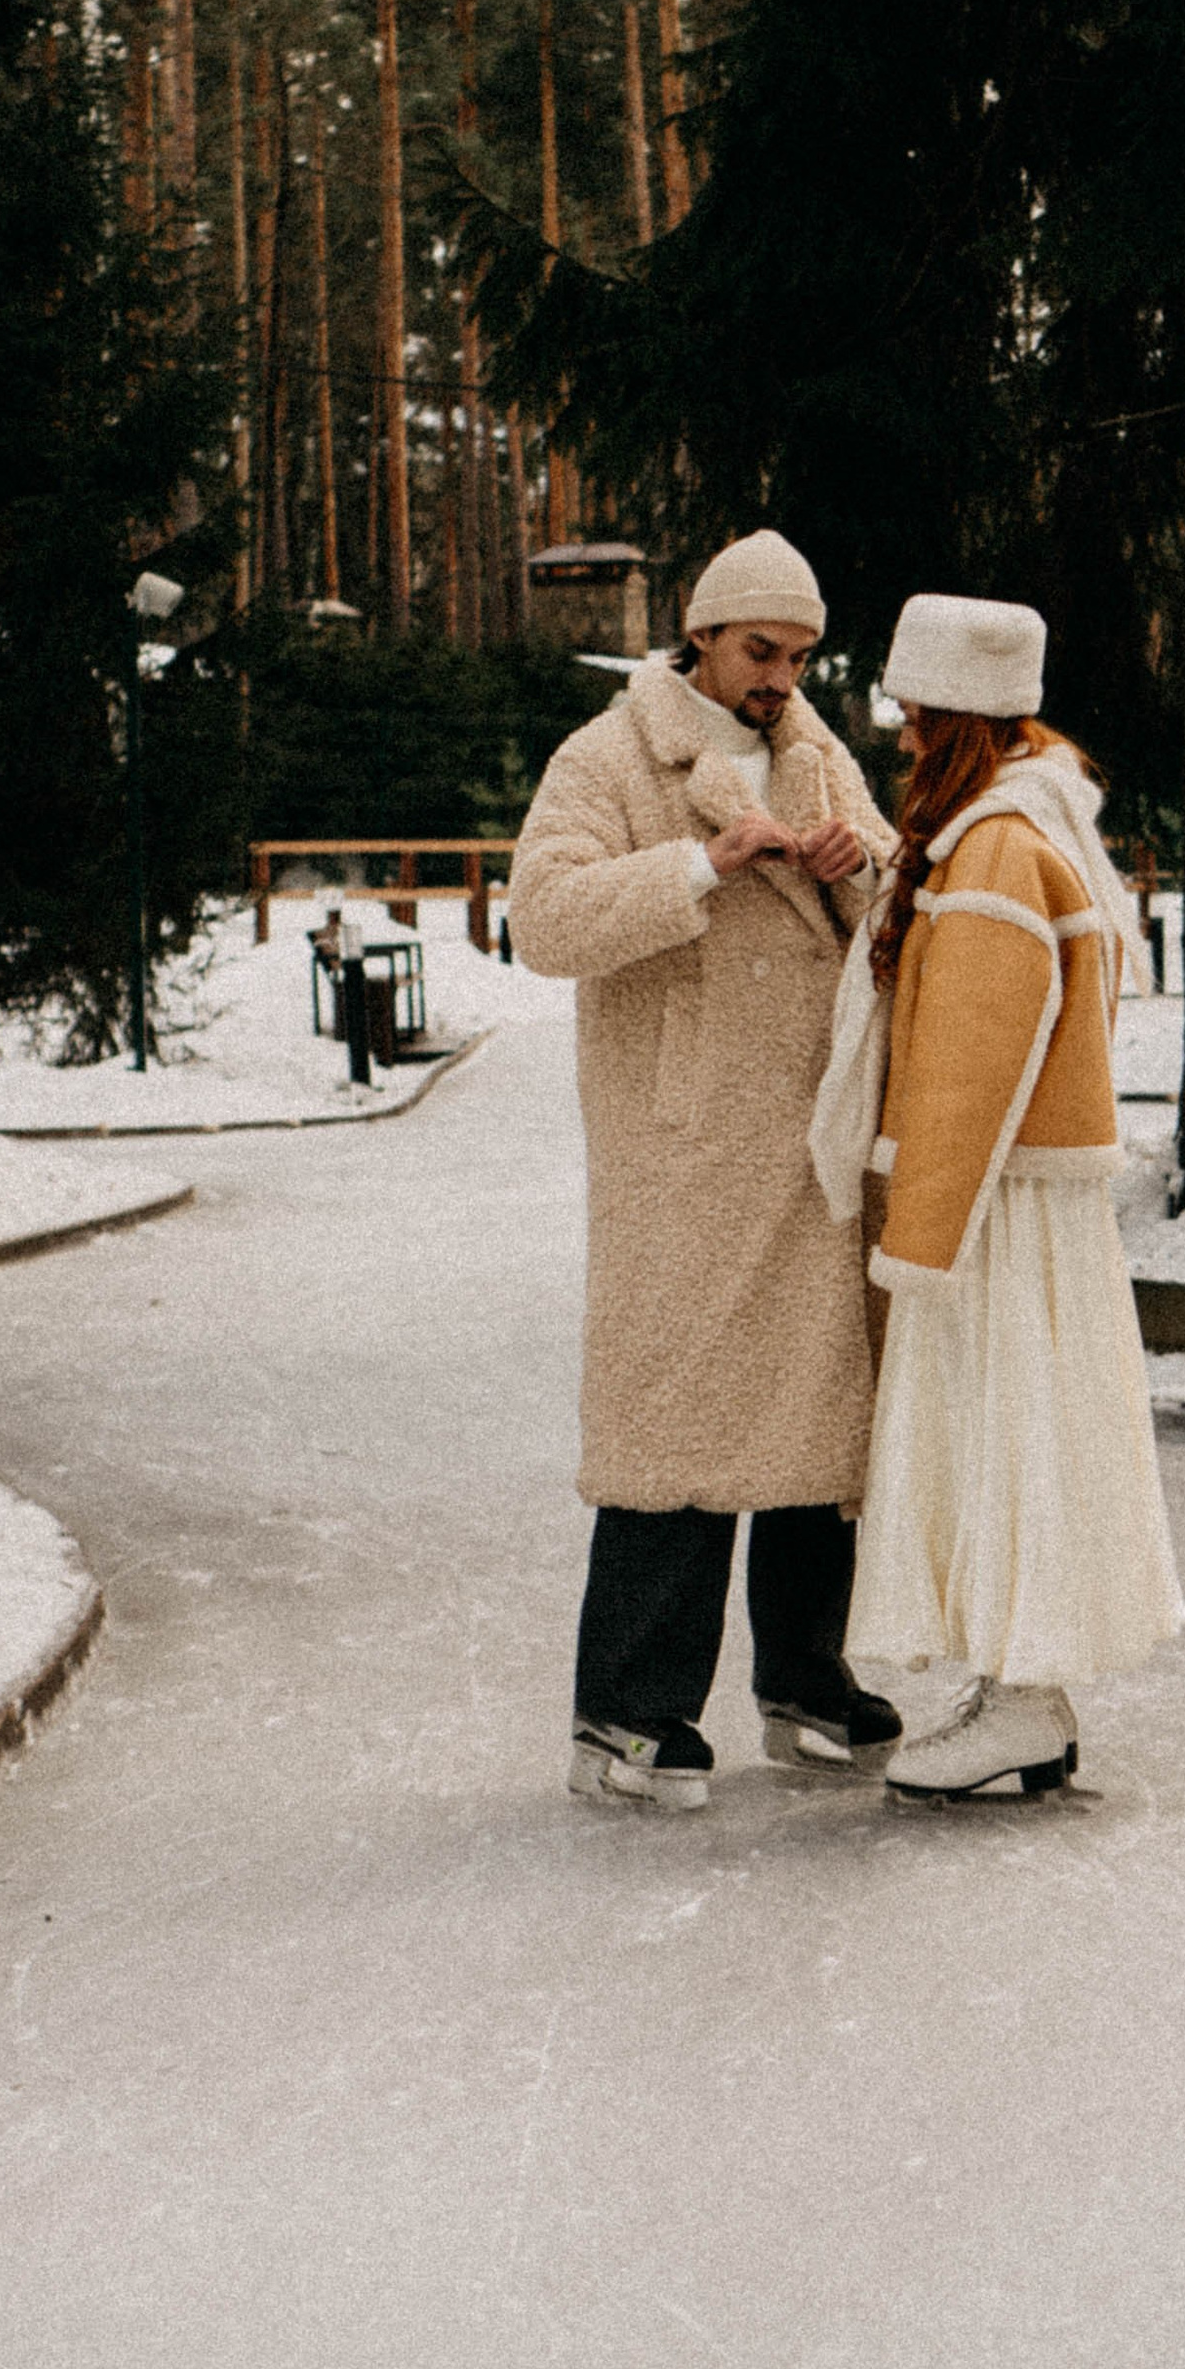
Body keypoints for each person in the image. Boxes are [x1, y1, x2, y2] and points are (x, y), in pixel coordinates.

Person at [510, 528, 903, 1809]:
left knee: (812, 1418)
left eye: (798, 656)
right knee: (674, 1422)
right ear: (701, 635)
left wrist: (860, 873)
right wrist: (700, 861)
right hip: (680, 1153)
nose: (779, 677)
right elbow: (544, 919)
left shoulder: (815, 754)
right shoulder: (609, 755)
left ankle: (804, 1677)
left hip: (807, 1141)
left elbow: (895, 894)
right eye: (758, 650)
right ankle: (625, 1712)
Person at [809, 591, 1184, 1799]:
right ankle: (1022, 1689)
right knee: (1022, 1435)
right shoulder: (1034, 827)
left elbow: (973, 1059)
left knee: (1002, 1435)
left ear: (958, 721)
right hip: (1014, 1203)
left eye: (917, 720)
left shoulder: (991, 851)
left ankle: (1024, 1696)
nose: (904, 743)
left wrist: (917, 1233)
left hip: (989, 1212)